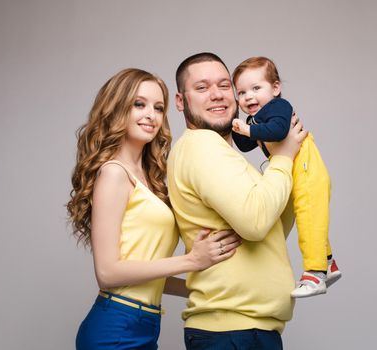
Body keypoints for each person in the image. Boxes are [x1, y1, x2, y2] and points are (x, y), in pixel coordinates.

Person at [67, 68, 241, 350]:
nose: (151, 115)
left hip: (145, 323)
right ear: (116, 108)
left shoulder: (151, 179)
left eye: (158, 108)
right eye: (139, 104)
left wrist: (206, 290)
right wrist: (192, 261)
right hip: (114, 327)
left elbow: (149, 273)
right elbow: (108, 273)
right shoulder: (114, 173)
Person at [167, 52, 307, 350]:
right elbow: (256, 224)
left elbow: (270, 231)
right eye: (202, 88)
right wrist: (283, 159)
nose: (217, 95)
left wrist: (283, 163)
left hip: (249, 330)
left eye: (223, 85)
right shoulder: (202, 146)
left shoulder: (226, 155)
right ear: (181, 101)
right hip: (231, 332)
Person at [231, 57, 342, 298]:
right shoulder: (256, 117)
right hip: (294, 171)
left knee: (309, 219)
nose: (248, 97)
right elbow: (244, 143)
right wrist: (236, 124)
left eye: (256, 88)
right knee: (309, 217)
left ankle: (314, 274)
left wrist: (248, 129)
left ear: (276, 88)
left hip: (306, 169)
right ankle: (328, 262)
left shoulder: (278, 108)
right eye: (241, 92)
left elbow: (279, 131)